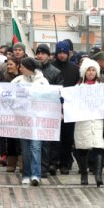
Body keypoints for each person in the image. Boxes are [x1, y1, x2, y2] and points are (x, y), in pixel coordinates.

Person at [11, 57, 49, 186]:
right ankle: (26, 174)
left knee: (36, 147)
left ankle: (35, 175)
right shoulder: (17, 81)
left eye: (22, 66)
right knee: (25, 149)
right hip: (23, 121)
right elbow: (6, 95)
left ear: (29, 68)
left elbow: (49, 99)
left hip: (37, 122)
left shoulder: (43, 82)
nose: (20, 69)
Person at [73, 58, 104, 187]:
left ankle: (98, 175)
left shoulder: (102, 87)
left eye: (93, 70)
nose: (91, 73)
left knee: (99, 147)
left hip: (97, 122)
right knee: (82, 149)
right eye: (88, 70)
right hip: (82, 122)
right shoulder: (78, 87)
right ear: (84, 72)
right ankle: (84, 174)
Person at [35, 43, 63, 178]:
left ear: (48, 55)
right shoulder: (32, 70)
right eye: (38, 53)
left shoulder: (55, 72)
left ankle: (44, 167)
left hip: (49, 111)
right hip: (34, 111)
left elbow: (59, 92)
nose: (40, 56)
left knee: (47, 142)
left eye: (43, 53)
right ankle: (36, 166)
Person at [51, 41, 79, 174]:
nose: (62, 55)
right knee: (55, 136)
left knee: (68, 137)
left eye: (64, 53)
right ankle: (53, 162)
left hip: (69, 107)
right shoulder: (51, 67)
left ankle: (65, 163)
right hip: (53, 106)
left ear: (68, 54)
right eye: (59, 52)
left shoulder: (74, 69)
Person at [0, 55, 22, 173]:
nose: (9, 66)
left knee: (20, 138)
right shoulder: (4, 78)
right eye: (8, 64)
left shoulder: (22, 79)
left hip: (21, 112)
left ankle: (22, 163)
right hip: (8, 111)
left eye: (11, 64)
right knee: (10, 137)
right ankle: (11, 163)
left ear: (17, 66)